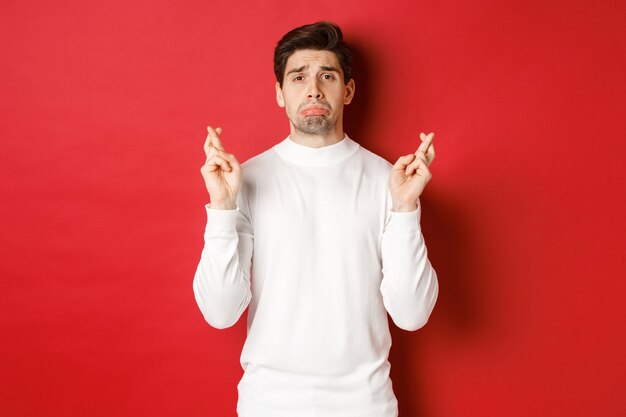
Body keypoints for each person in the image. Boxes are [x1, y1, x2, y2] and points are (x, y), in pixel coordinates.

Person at [193, 21, 438, 417]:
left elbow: (412, 315)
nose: (313, 89)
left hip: (367, 405)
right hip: (267, 404)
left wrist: (405, 209)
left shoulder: (387, 180)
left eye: (327, 75)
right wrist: (222, 207)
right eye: (298, 77)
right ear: (279, 93)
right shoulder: (246, 180)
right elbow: (220, 313)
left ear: (348, 90)